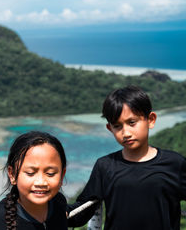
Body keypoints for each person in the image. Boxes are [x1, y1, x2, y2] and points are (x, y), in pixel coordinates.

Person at [67, 85, 186, 229]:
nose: (126, 133)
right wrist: (55, 209)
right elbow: (82, 211)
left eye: (132, 123)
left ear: (151, 120)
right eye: (117, 126)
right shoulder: (105, 166)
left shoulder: (174, 163)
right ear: (110, 129)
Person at [0, 131, 68, 230]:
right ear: (12, 174)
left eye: (50, 173)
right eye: (30, 173)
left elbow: (80, 211)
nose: (41, 182)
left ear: (62, 175)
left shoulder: (58, 203)